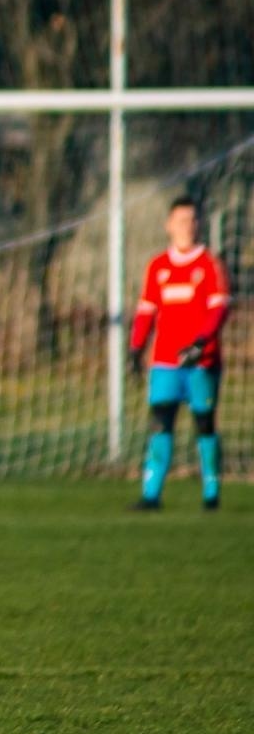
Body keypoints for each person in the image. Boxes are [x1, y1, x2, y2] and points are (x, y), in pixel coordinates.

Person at [127, 195, 232, 511]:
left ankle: (211, 494)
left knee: (204, 422)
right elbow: (146, 310)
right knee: (161, 422)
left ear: (200, 224)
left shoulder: (209, 264)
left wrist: (201, 343)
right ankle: (151, 495)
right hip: (165, 361)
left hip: (202, 362)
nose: (189, 225)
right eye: (182, 220)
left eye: (194, 219)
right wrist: (135, 348)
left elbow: (219, 308)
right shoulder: (158, 266)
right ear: (169, 225)